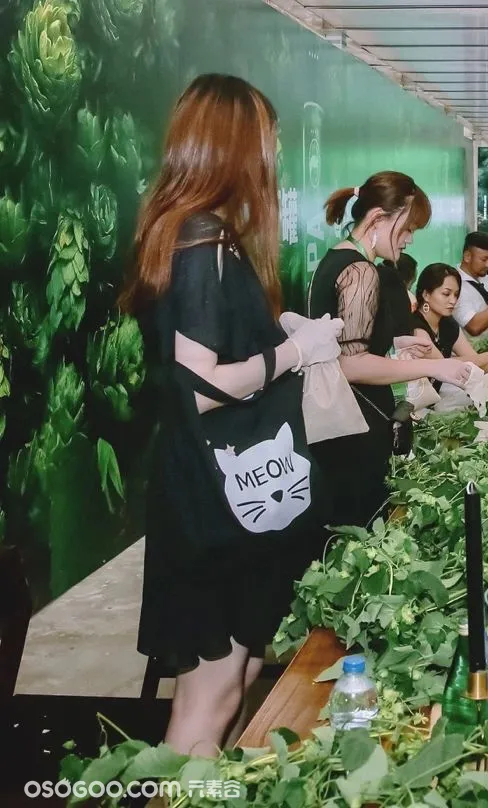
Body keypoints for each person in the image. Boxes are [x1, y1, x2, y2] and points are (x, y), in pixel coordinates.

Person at [123, 74, 343, 756]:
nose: (273, 154)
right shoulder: (202, 240)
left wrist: (278, 331)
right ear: (236, 146)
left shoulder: (184, 235)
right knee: (208, 702)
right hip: (214, 506)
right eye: (267, 139)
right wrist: (295, 352)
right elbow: (203, 385)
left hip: (214, 495)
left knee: (229, 684)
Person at [308, 172, 476, 530]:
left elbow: (340, 342)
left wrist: (395, 343)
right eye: (407, 229)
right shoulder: (361, 271)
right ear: (378, 218)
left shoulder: (335, 259)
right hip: (355, 428)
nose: (410, 239)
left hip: (337, 429)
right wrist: (440, 367)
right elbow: (351, 364)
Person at [413, 263, 488, 378]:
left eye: (456, 295)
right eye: (446, 294)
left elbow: (471, 356)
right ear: (426, 295)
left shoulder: (447, 322)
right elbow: (443, 365)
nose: (453, 300)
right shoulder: (417, 329)